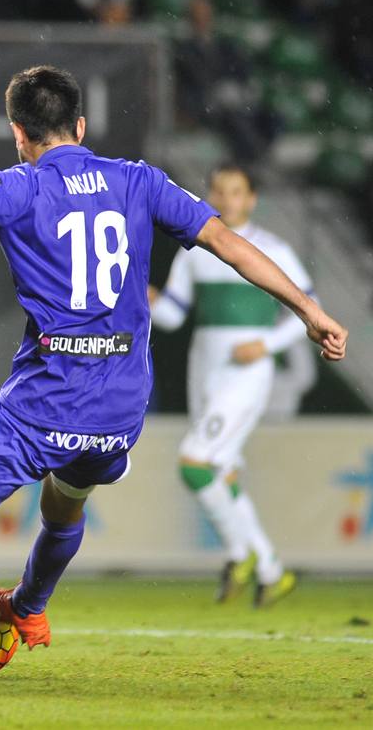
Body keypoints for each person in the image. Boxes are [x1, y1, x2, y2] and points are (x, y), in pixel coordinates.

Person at [0, 66, 346, 691]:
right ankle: (29, 607)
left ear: (18, 134)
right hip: (121, 409)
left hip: (47, 401)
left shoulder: (21, 188)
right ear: (80, 125)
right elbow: (226, 243)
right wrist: (309, 311)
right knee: (64, 500)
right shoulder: (138, 180)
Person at [149, 164, 312, 607]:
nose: (226, 199)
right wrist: (143, 297)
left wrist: (266, 344)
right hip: (203, 366)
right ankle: (271, 570)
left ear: (251, 198)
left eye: (236, 192)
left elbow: (309, 307)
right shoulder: (195, 251)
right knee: (222, 469)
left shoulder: (272, 248)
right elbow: (172, 317)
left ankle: (243, 554)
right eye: (218, 191)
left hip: (247, 374)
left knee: (195, 462)